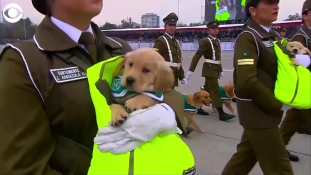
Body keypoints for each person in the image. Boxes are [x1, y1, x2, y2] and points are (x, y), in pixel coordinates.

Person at [0, 0, 194, 174]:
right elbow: (21, 166)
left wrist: (165, 113)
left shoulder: (120, 48)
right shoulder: (23, 62)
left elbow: (168, 92)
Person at [221, 0, 294, 174]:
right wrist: (275, 103)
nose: (275, 6)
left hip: (264, 114)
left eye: (276, 2)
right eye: (269, 3)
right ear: (253, 10)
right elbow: (247, 81)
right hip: (259, 113)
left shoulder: (273, 35)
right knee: (280, 169)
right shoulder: (248, 37)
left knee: (242, 162)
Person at [152, 13, 204, 123]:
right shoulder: (161, 41)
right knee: (166, 100)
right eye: (170, 25)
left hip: (173, 76)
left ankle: (168, 122)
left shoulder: (175, 42)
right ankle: (168, 122)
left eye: (174, 25)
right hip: (164, 77)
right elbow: (154, 58)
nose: (172, 27)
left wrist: (182, 76)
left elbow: (177, 62)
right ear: (165, 26)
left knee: (168, 100)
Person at [279, 0, 311, 162]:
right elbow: (297, 63)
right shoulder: (301, 36)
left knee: (291, 121)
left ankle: (278, 148)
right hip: (305, 88)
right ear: (305, 15)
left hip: (306, 89)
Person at [186, 20, 235, 121]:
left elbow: (218, 58)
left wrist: (220, 70)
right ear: (208, 30)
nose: (215, 30)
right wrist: (191, 70)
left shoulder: (217, 41)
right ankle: (221, 113)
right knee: (216, 90)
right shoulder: (205, 41)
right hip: (209, 69)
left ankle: (197, 105)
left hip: (215, 69)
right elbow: (197, 56)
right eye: (213, 28)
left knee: (206, 90)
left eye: (216, 28)